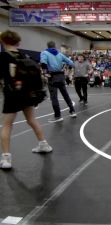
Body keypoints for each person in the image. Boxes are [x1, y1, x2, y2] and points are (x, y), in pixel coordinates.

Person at [0, 30, 52, 169]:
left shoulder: (3, 57)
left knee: (7, 125)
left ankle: (6, 159)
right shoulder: (24, 55)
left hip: (12, 94)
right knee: (31, 120)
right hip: (28, 94)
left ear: (3, 41)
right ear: (18, 42)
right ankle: (44, 145)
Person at [40, 41, 76, 122]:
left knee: (54, 97)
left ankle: (58, 116)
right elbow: (71, 63)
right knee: (65, 94)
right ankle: (72, 111)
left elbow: (43, 63)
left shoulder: (44, 53)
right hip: (61, 76)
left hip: (52, 77)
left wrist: (45, 73)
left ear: (47, 46)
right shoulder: (60, 54)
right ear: (54, 46)